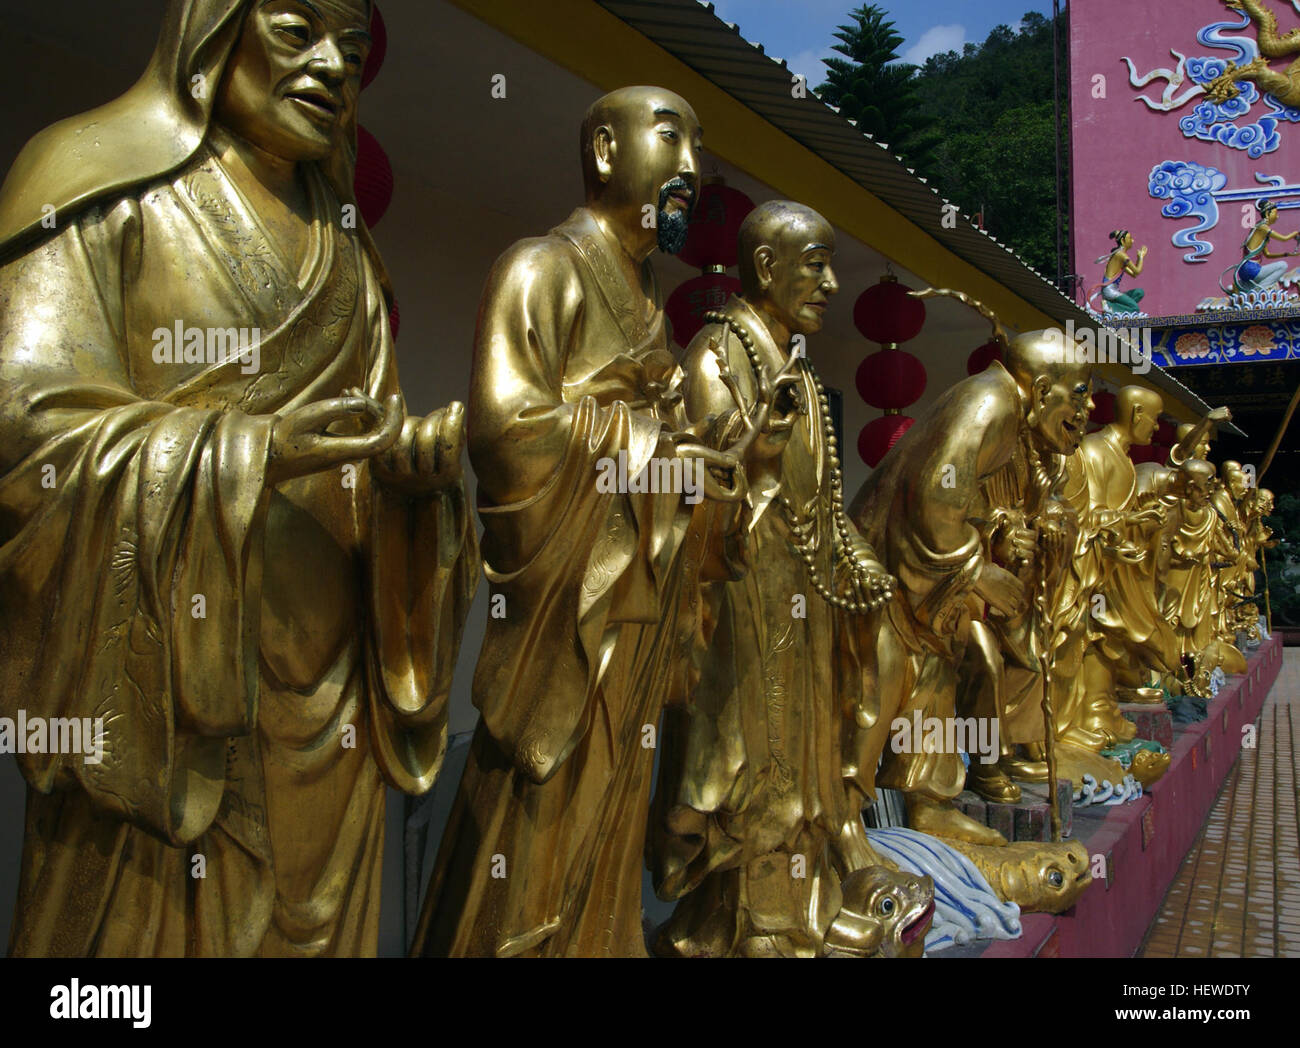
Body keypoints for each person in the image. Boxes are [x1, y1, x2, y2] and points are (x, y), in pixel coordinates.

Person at [0, 0, 479, 956]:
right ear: (211, 27)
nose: (334, 67)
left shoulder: (347, 254)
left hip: (330, 703)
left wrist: (413, 495)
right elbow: (27, 434)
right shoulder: (92, 183)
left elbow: (369, 436)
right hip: (173, 703)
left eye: (353, 46)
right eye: (298, 31)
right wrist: (249, 455)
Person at [411, 87, 795, 957]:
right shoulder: (539, 268)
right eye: (671, 139)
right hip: (565, 625)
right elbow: (507, 435)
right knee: (543, 810)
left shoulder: (649, 299)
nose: (691, 168)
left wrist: (708, 474)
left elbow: (661, 449)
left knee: (615, 810)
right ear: (606, 150)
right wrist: (658, 453)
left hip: (633, 613)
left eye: (699, 147)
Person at [649, 201, 897, 957]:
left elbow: (818, 500)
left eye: (829, 266)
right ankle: (745, 927)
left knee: (806, 765)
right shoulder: (714, 358)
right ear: (765, 268)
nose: (829, 283)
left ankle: (802, 912)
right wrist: (758, 447)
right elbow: (697, 483)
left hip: (802, 599)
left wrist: (858, 566)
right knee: (749, 768)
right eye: (815, 263)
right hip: (740, 604)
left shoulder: (799, 369)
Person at [1227, 199, 1299, 294]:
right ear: (1267, 214)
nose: (1277, 217)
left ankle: (1249, 288)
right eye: (1275, 213)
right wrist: (1296, 233)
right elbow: (1283, 238)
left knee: (1279, 266)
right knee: (1283, 265)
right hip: (1251, 269)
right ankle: (1260, 290)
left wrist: (1287, 254)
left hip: (1244, 270)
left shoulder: (1258, 229)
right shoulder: (1262, 228)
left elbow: (1268, 255)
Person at [1090, 229, 1147, 314]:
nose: (1132, 240)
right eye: (1130, 238)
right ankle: (1109, 306)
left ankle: (1114, 308)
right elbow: (1137, 271)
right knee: (1135, 309)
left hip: (1115, 290)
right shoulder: (1121, 255)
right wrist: (1141, 257)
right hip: (1110, 290)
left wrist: (1139, 258)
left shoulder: (1120, 256)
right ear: (1123, 241)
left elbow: (1134, 274)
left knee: (1139, 292)